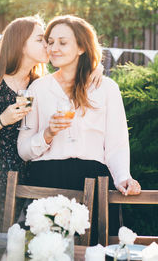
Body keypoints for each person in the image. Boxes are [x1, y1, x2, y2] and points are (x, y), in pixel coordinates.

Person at [0, 15, 103, 233]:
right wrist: (2, 120)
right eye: (41, 40)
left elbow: (71, 74)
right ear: (20, 44)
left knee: (25, 241)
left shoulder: (38, 84)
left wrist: (95, 68)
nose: (48, 45)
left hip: (31, 174)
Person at [17, 15, 141, 240]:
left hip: (93, 183)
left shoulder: (107, 88)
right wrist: (47, 134)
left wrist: (123, 177)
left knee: (94, 251)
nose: (53, 48)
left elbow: (117, 144)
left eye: (62, 42)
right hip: (46, 182)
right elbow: (23, 150)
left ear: (82, 47)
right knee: (45, 251)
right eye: (50, 42)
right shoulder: (37, 89)